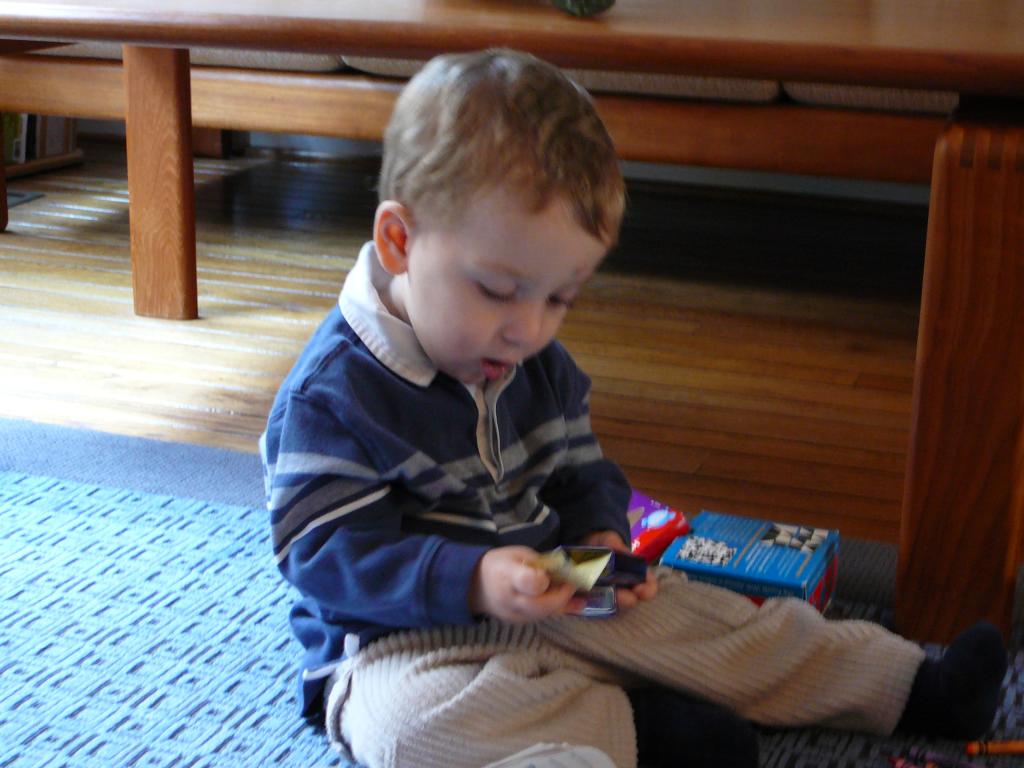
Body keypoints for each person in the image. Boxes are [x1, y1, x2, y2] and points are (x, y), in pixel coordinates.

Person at [261, 49, 1007, 768]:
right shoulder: (331, 397)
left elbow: (581, 473)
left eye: (560, 298)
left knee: (702, 618)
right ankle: (642, 732)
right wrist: (475, 579)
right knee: (408, 733)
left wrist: (599, 538)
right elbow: (326, 558)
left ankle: (910, 687)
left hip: (557, 583)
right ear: (400, 241)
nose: (528, 330)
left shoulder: (533, 362)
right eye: (498, 291)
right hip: (398, 643)